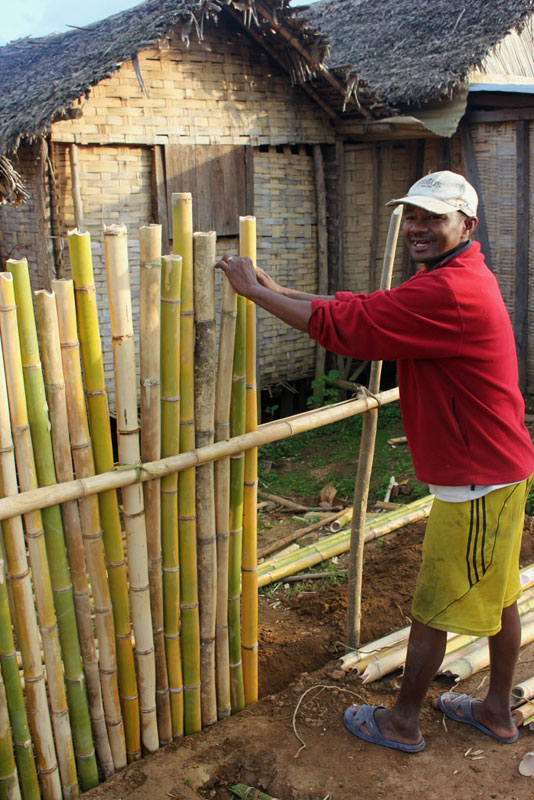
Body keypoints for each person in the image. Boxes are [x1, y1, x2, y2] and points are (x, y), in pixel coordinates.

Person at [216, 170, 534, 753]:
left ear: (467, 223)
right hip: (495, 465)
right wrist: (278, 287)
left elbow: (352, 329)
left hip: (477, 476)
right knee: (502, 595)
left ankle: (402, 722)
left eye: (433, 218)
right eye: (412, 215)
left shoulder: (450, 291)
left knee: (433, 606)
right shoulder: (451, 276)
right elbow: (369, 307)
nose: (418, 227)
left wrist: (257, 296)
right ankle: (495, 711)